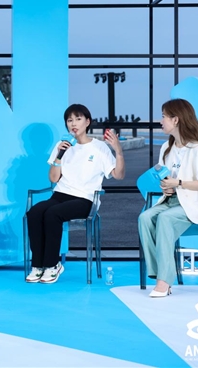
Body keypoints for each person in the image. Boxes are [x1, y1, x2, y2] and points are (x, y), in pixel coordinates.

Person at [26, 104, 125, 284]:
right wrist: (59, 155)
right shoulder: (62, 146)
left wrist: (118, 151)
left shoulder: (99, 147)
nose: (73, 123)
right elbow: (53, 178)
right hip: (60, 195)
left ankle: (52, 265)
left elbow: (119, 175)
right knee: (34, 212)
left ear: (87, 122)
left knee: (52, 214)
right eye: (70, 120)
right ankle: (38, 265)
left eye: (78, 119)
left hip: (85, 199)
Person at [138, 98, 198, 298]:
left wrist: (178, 183)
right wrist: (167, 188)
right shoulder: (166, 149)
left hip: (195, 204)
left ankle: (164, 281)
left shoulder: (196, 149)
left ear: (176, 120)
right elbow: (166, 179)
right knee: (145, 218)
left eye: (164, 116)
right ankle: (159, 274)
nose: (160, 121)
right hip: (172, 201)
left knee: (164, 219)